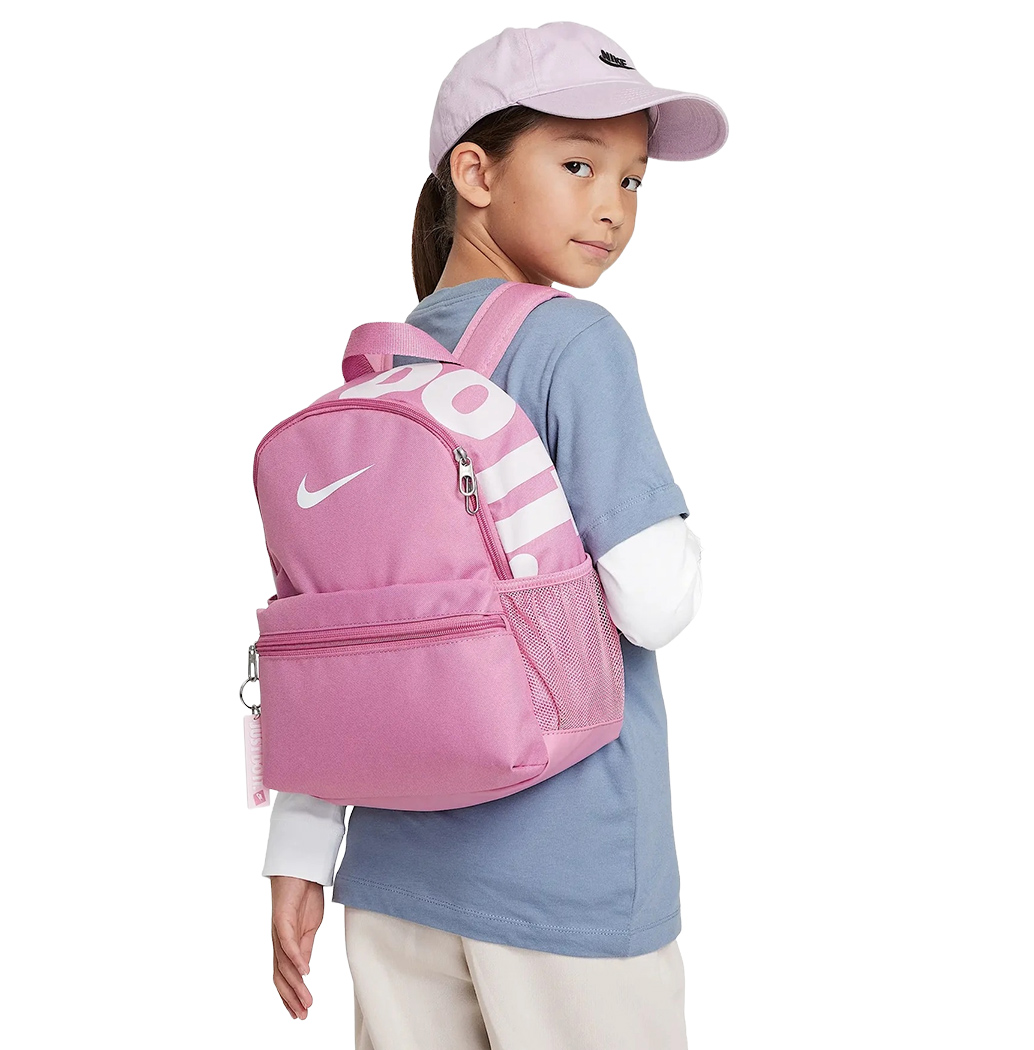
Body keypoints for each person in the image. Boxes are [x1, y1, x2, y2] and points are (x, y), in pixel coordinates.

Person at [261, 21, 727, 1049]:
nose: (613, 205)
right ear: (475, 173)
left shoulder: (378, 380)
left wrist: (298, 851)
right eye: (578, 165)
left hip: (392, 880)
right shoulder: (574, 343)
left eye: (634, 180)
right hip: (564, 879)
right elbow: (655, 601)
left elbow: (336, 636)